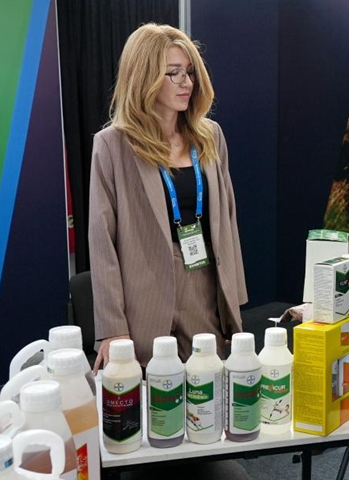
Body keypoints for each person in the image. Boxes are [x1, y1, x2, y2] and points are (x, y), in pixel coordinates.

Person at [89, 24, 248, 371]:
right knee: (152, 407)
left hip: (204, 286)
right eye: (172, 73)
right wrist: (112, 329)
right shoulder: (113, 145)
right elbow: (102, 241)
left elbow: (227, 221)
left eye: (189, 72)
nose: (186, 83)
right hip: (143, 299)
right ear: (144, 77)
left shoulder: (210, 137)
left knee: (208, 396)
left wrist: (231, 306)